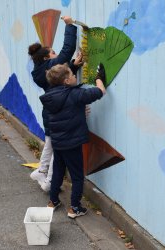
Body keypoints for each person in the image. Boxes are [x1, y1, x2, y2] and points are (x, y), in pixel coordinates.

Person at [40, 63, 106, 218]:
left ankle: (53, 201)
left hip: (58, 142)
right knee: (77, 176)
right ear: (66, 81)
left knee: (58, 171)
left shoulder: (51, 96)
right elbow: (100, 92)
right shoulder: (75, 94)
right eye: (71, 74)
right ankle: (75, 207)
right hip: (72, 143)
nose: (74, 76)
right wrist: (99, 79)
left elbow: (65, 110)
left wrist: (79, 110)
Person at [27, 15, 83, 192]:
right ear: (46, 60)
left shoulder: (39, 71)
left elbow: (57, 79)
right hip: (57, 114)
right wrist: (69, 25)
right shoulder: (47, 68)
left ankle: (42, 171)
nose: (56, 55)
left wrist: (73, 65)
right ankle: (49, 181)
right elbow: (67, 50)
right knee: (55, 149)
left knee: (50, 144)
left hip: (50, 113)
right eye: (52, 53)